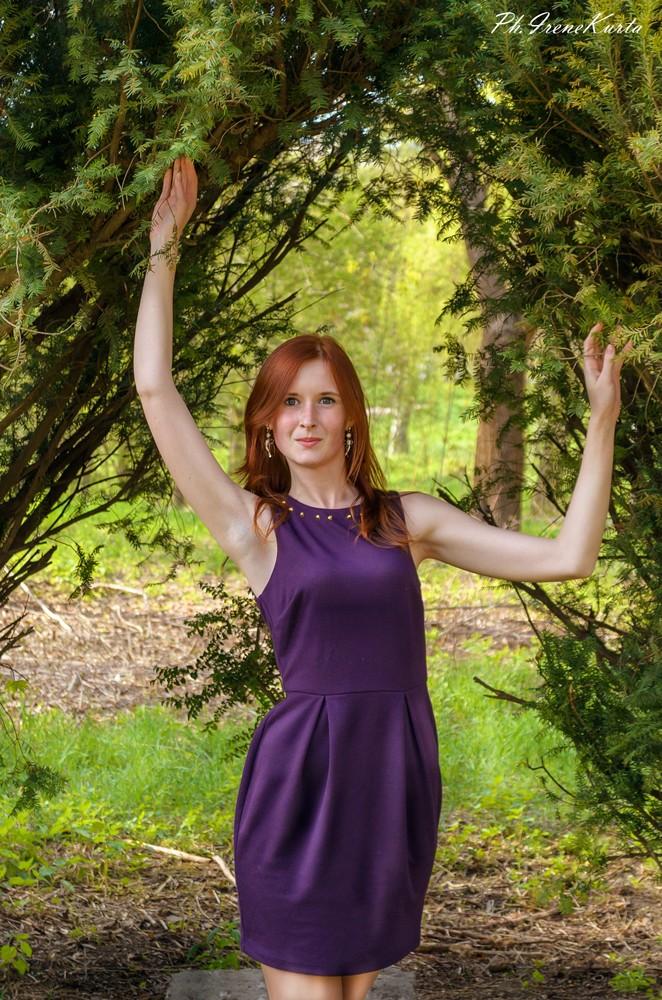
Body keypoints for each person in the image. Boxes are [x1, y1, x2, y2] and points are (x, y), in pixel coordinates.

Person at [134, 156, 632, 1000]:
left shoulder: (408, 520)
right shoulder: (256, 525)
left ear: (351, 418)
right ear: (267, 422)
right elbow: (155, 389)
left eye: (325, 400)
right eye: (290, 402)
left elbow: (569, 558)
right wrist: (164, 251)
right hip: (301, 786)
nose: (307, 418)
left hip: (392, 779)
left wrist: (601, 424)